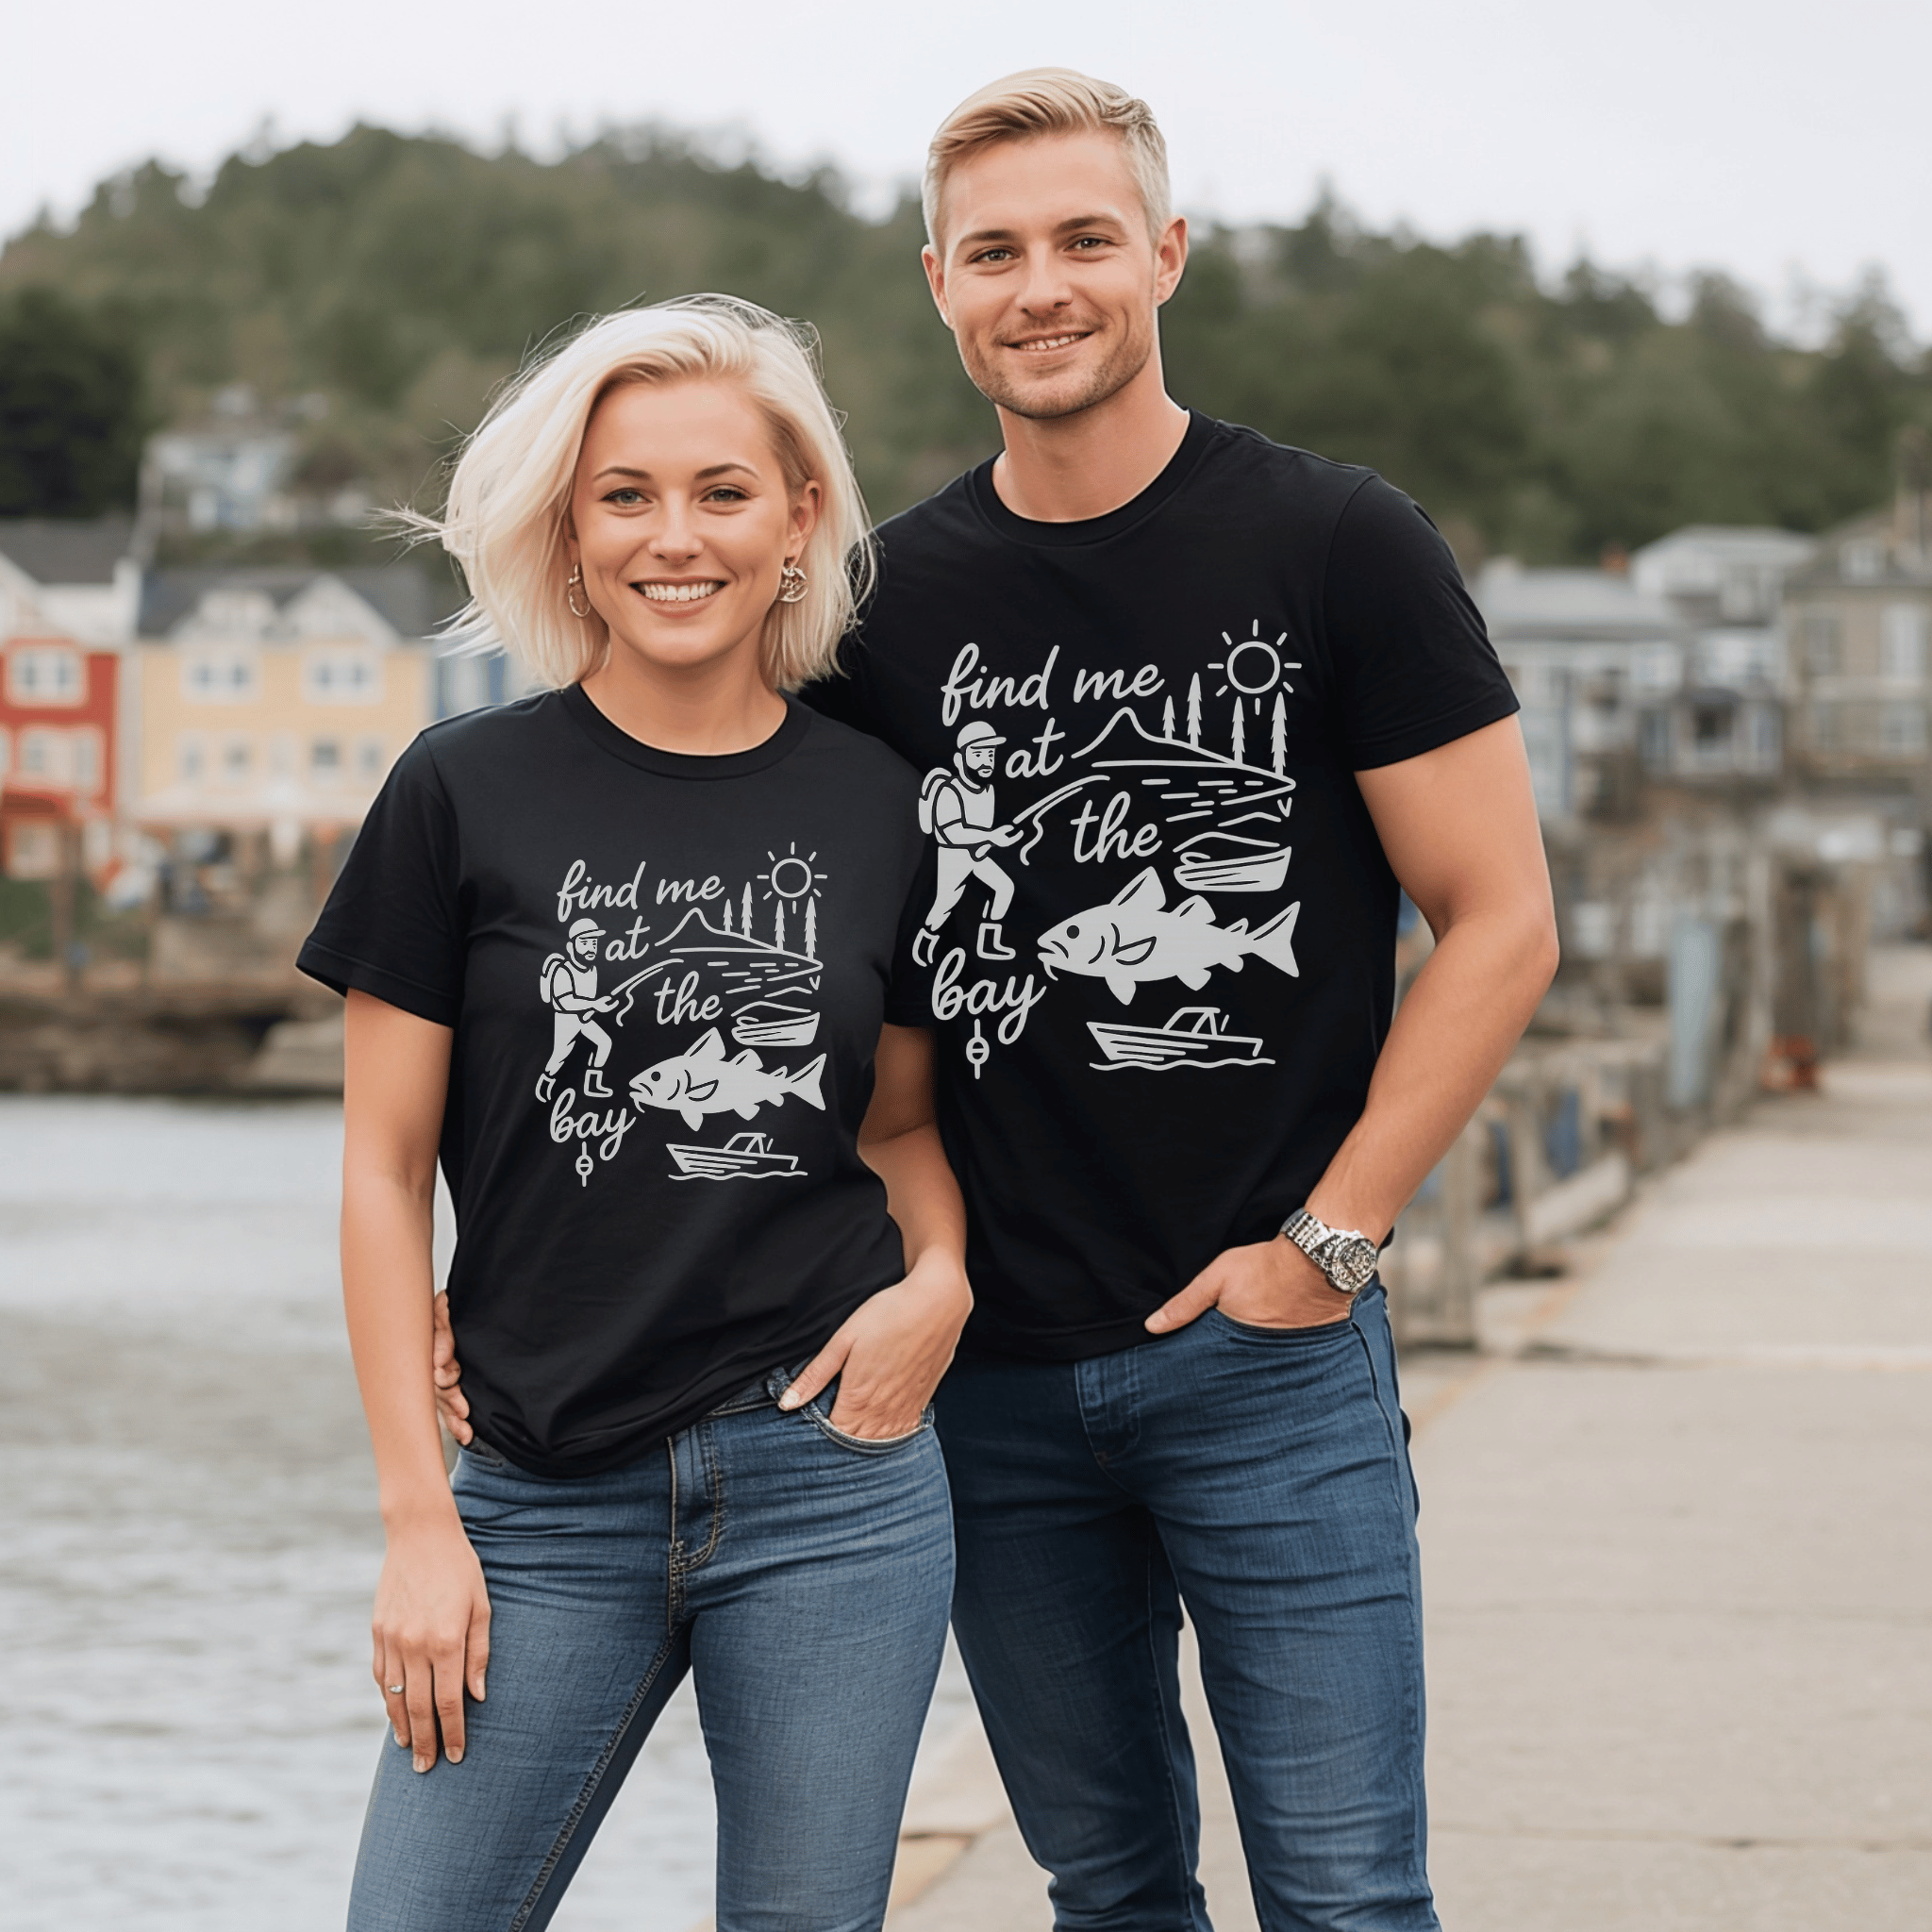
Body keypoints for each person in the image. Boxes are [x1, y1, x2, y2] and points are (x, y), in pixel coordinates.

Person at [438, 71, 1558, 1931]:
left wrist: (1331, 1243)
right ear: (941, 288)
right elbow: (731, 931)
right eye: (995, 254)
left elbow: (1500, 918)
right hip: (982, 1384)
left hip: (1266, 1361)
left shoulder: (1339, 543)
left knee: (1349, 1895)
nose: (1041, 287)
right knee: (1110, 1889)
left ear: (1163, 257)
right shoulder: (886, 607)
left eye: (1082, 241)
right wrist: (490, 1278)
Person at [304, 295, 971, 1932]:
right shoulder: (459, 790)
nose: (677, 539)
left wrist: (940, 1282)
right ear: (571, 528)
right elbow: (384, 1176)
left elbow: (894, 1127)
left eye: (724, 491)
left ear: (800, 517)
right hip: (535, 1494)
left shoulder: (882, 804)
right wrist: (415, 1526)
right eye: (627, 496)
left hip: (831, 1480)